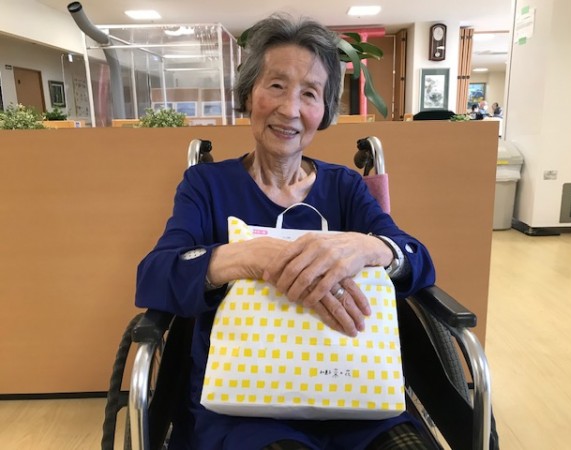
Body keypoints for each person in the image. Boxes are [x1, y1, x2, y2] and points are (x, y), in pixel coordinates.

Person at [136, 13, 436, 450]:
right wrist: (248, 256)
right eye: (276, 85)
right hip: (246, 405)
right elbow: (155, 274)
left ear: (324, 111)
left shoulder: (345, 187)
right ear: (249, 94)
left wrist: (367, 246)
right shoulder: (207, 185)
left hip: (354, 393)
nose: (290, 109)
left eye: (309, 93)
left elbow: (417, 260)